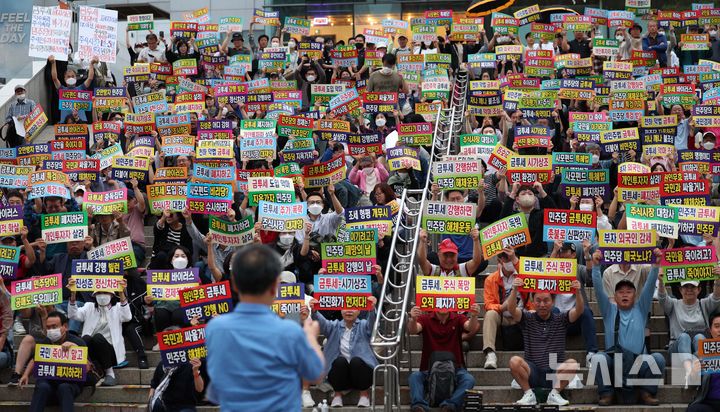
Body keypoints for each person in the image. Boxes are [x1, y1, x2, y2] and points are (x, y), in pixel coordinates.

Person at [206, 244, 325, 410]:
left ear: (234, 285)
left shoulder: (216, 328)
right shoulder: (290, 331)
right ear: (275, 285)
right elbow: (316, 373)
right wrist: (310, 337)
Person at [589, 249, 665, 406]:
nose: (624, 294)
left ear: (635, 295)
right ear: (614, 297)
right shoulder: (609, 310)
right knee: (597, 358)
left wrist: (656, 265)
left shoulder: (641, 308)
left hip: (638, 361)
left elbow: (650, 285)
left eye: (629, 291)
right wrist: (596, 267)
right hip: (614, 362)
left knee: (658, 358)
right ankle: (607, 394)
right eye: (621, 292)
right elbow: (597, 289)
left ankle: (646, 392)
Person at [506, 277, 584, 406]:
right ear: (532, 301)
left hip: (555, 372)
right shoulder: (527, 318)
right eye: (538, 300)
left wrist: (578, 292)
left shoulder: (561, 319)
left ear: (553, 301)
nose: (542, 304)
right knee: (514, 361)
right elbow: (511, 309)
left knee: (572, 363)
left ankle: (555, 393)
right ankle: (528, 394)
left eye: (546, 300)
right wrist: (514, 289)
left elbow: (579, 310)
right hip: (533, 371)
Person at [407, 302, 480, 412]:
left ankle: (450, 405)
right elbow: (413, 330)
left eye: (446, 301)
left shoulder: (458, 317)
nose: (443, 305)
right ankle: (419, 406)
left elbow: (470, 327)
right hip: (429, 369)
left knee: (469, 379)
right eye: (439, 301)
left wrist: (474, 315)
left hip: (456, 369)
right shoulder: (426, 318)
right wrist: (413, 319)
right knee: (414, 377)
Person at [309, 295, 378, 408]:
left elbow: (372, 324)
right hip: (341, 374)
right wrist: (315, 311)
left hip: (361, 372)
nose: (349, 311)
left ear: (359, 310)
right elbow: (322, 324)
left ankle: (364, 395)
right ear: (340, 310)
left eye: (353, 307)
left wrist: (372, 309)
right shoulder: (334, 326)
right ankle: (337, 395)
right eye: (346, 307)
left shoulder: (364, 325)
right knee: (338, 362)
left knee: (357, 361)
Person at [68, 278, 132, 386]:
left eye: (105, 292)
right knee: (86, 338)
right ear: (94, 295)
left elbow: (127, 317)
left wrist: (121, 292)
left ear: (111, 295)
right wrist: (73, 295)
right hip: (93, 351)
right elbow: (73, 315)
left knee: (98, 337)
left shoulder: (117, 308)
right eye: (99, 293)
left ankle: (110, 373)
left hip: (111, 351)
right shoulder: (89, 306)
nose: (102, 295)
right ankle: (89, 369)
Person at [658, 277, 720, 385]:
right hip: (677, 349)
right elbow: (663, 298)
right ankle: (689, 372)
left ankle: (697, 370)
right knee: (684, 337)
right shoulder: (673, 304)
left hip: (697, 350)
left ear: (699, 290)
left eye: (693, 287)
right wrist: (661, 281)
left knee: (699, 337)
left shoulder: (704, 304)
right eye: (686, 287)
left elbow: (716, 297)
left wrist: (718, 279)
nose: (689, 290)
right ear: (680, 290)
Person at [482, 247, 534, 368]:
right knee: (490, 314)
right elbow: (488, 304)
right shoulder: (491, 279)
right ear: (499, 261)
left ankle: (536, 354)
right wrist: (502, 307)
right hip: (503, 317)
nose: (509, 262)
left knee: (534, 314)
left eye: (511, 259)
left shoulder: (523, 273)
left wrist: (514, 258)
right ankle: (490, 353)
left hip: (521, 315)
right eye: (506, 259)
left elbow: (532, 274)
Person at [24, 312, 86, 412]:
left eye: (54, 327)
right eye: (48, 328)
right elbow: (36, 359)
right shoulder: (46, 342)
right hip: (49, 384)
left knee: (64, 387)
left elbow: (88, 367)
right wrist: (26, 375)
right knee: (42, 385)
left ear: (65, 326)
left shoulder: (78, 342)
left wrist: (76, 349)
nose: (51, 330)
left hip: (70, 384)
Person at [416, 227, 483, 277]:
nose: (449, 259)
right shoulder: (434, 270)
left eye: (452, 255)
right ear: (439, 255)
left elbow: (476, 261)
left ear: (457, 256)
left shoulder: (462, 270)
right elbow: (422, 261)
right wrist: (422, 241)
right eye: (445, 255)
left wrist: (476, 240)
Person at [688, 312, 720, 411]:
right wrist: (693, 373)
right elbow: (691, 387)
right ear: (710, 330)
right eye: (717, 326)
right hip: (709, 402)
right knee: (694, 410)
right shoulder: (700, 354)